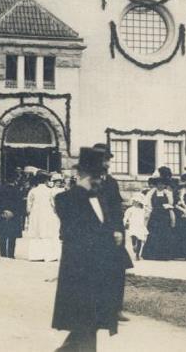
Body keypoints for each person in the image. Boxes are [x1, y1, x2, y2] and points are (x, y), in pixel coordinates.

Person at [52, 147, 128, 351]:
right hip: (79, 273)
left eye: (101, 176)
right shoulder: (66, 199)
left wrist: (113, 234)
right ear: (83, 175)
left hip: (99, 272)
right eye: (96, 176)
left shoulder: (100, 198)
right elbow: (73, 231)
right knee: (85, 324)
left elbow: (104, 225)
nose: (100, 180)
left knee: (89, 325)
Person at [90, 143, 132, 321]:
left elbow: (116, 208)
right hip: (92, 234)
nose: (106, 163)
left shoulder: (112, 182)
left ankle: (115, 309)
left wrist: (117, 230)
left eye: (107, 160)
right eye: (103, 159)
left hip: (113, 233)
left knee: (116, 269)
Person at [142, 170, 179, 260]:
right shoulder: (151, 193)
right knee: (154, 235)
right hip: (154, 216)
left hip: (164, 216)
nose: (160, 186)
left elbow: (171, 204)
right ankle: (152, 254)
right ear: (156, 184)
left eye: (162, 184)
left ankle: (164, 255)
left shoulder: (168, 193)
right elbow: (147, 205)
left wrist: (168, 207)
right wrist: (147, 215)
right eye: (159, 184)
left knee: (165, 235)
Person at [26, 171, 61, 262]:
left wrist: (30, 213)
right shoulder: (50, 191)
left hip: (36, 213)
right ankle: (49, 255)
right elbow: (53, 204)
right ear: (46, 180)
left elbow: (29, 206)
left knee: (36, 233)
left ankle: (35, 256)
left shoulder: (33, 191)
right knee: (47, 233)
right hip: (47, 213)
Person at [0, 170, 25, 259]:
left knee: (3, 235)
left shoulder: (1, 189)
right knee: (12, 236)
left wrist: (2, 211)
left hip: (3, 214)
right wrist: (14, 213)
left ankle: (3, 253)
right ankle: (11, 254)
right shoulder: (17, 190)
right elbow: (20, 204)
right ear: (15, 179)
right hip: (14, 215)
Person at [123, 196, 148, 260]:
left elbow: (146, 216)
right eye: (134, 201)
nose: (134, 203)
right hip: (133, 225)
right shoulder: (130, 209)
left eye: (136, 202)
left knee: (140, 239)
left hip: (140, 225)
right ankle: (134, 245)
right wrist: (125, 222)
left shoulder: (143, 210)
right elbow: (126, 216)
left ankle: (137, 255)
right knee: (133, 235)